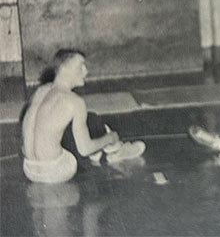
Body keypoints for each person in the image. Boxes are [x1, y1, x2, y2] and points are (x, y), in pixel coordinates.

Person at [22, 49, 146, 183]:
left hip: (29, 169)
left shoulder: (40, 91)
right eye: (81, 66)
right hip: (56, 171)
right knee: (94, 124)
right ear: (65, 69)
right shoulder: (74, 101)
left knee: (87, 119)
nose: (86, 71)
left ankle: (104, 151)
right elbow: (84, 150)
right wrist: (110, 138)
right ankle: (116, 149)